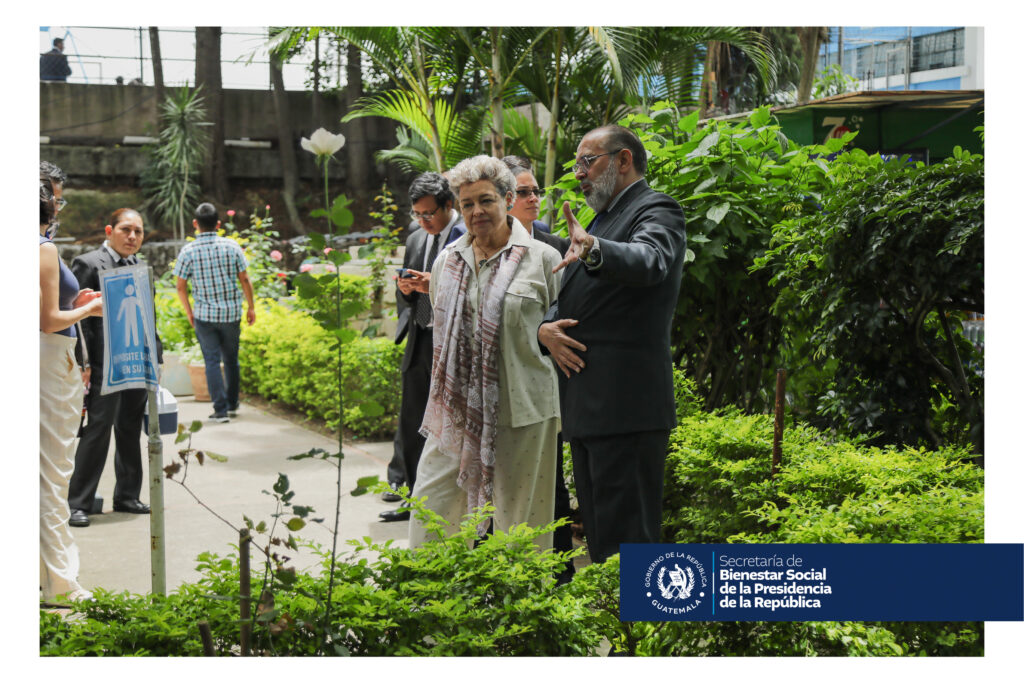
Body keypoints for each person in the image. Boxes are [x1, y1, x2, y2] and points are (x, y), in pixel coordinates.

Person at [537, 125, 687, 564]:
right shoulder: (601, 220)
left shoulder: (655, 208)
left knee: (629, 547)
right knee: (603, 546)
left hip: (626, 410)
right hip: (589, 410)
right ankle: (623, 631)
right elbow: (575, 299)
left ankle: (641, 629)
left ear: (623, 160)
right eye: (577, 163)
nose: (580, 173)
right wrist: (545, 329)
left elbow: (650, 260)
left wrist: (596, 248)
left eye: (589, 161)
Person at [408, 155, 563, 550]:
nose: (476, 211)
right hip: (455, 410)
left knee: (523, 531)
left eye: (486, 200)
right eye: (467, 204)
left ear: (508, 199)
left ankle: (525, 611)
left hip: (523, 409)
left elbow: (566, 326)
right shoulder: (449, 260)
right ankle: (433, 607)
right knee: (431, 514)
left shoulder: (543, 259)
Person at [501, 156, 574, 582]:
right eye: (523, 192)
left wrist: (546, 328)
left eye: (535, 191)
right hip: (498, 392)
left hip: (545, 386)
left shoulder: (553, 246)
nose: (532, 199)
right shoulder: (472, 247)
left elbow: (566, 308)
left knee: (552, 488)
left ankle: (559, 580)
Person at [380, 173, 465, 522]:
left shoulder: (466, 236)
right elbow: (407, 293)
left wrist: (437, 284)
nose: (422, 220)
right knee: (413, 417)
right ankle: (413, 498)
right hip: (420, 337)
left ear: (449, 205)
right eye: (417, 214)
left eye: (429, 213)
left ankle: (449, 501)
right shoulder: (416, 237)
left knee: (447, 423)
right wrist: (406, 288)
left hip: (453, 341)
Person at [67, 209, 160, 527]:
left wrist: (155, 357)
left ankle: (127, 495)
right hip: (104, 364)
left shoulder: (141, 267)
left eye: (138, 231)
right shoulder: (89, 263)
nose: (132, 236)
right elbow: (77, 318)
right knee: (98, 429)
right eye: (126, 229)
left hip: (135, 362)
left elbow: (151, 315)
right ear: (110, 230)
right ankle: (77, 502)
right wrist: (84, 362)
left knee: (131, 428)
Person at [39, 162, 103, 602]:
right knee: (51, 474)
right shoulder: (41, 248)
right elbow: (46, 320)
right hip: (47, 363)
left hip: (43, 362)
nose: (58, 206)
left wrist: (71, 300)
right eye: (56, 198)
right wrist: (87, 310)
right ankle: (60, 583)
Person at [173, 202, 256, 422]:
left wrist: (189, 312)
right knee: (231, 360)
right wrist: (251, 307)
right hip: (231, 314)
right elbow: (245, 279)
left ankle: (220, 411)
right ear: (218, 224)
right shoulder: (231, 246)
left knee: (211, 361)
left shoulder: (188, 251)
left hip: (204, 316)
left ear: (195, 224)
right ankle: (232, 404)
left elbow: (180, 286)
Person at [501, 155, 551, 235]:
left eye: (536, 191)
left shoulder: (543, 230)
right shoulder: (482, 237)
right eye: (523, 192)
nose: (534, 198)